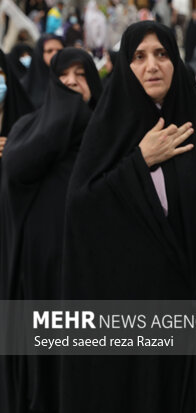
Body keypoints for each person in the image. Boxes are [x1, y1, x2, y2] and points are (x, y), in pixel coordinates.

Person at [60, 21, 196, 412]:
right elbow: (81, 208)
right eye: (139, 56)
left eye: (162, 54)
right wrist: (139, 163)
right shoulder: (109, 129)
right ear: (126, 66)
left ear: (176, 61)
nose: (152, 66)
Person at [0, 48, 102, 413]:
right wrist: (63, 113)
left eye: (81, 74)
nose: (72, 81)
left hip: (80, 275)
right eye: (63, 75)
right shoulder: (27, 127)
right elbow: (16, 169)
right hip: (33, 273)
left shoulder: (104, 134)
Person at [20, 34, 64, 109]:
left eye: (59, 51)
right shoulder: (26, 85)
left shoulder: (69, 81)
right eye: (50, 51)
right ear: (40, 54)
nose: (55, 54)